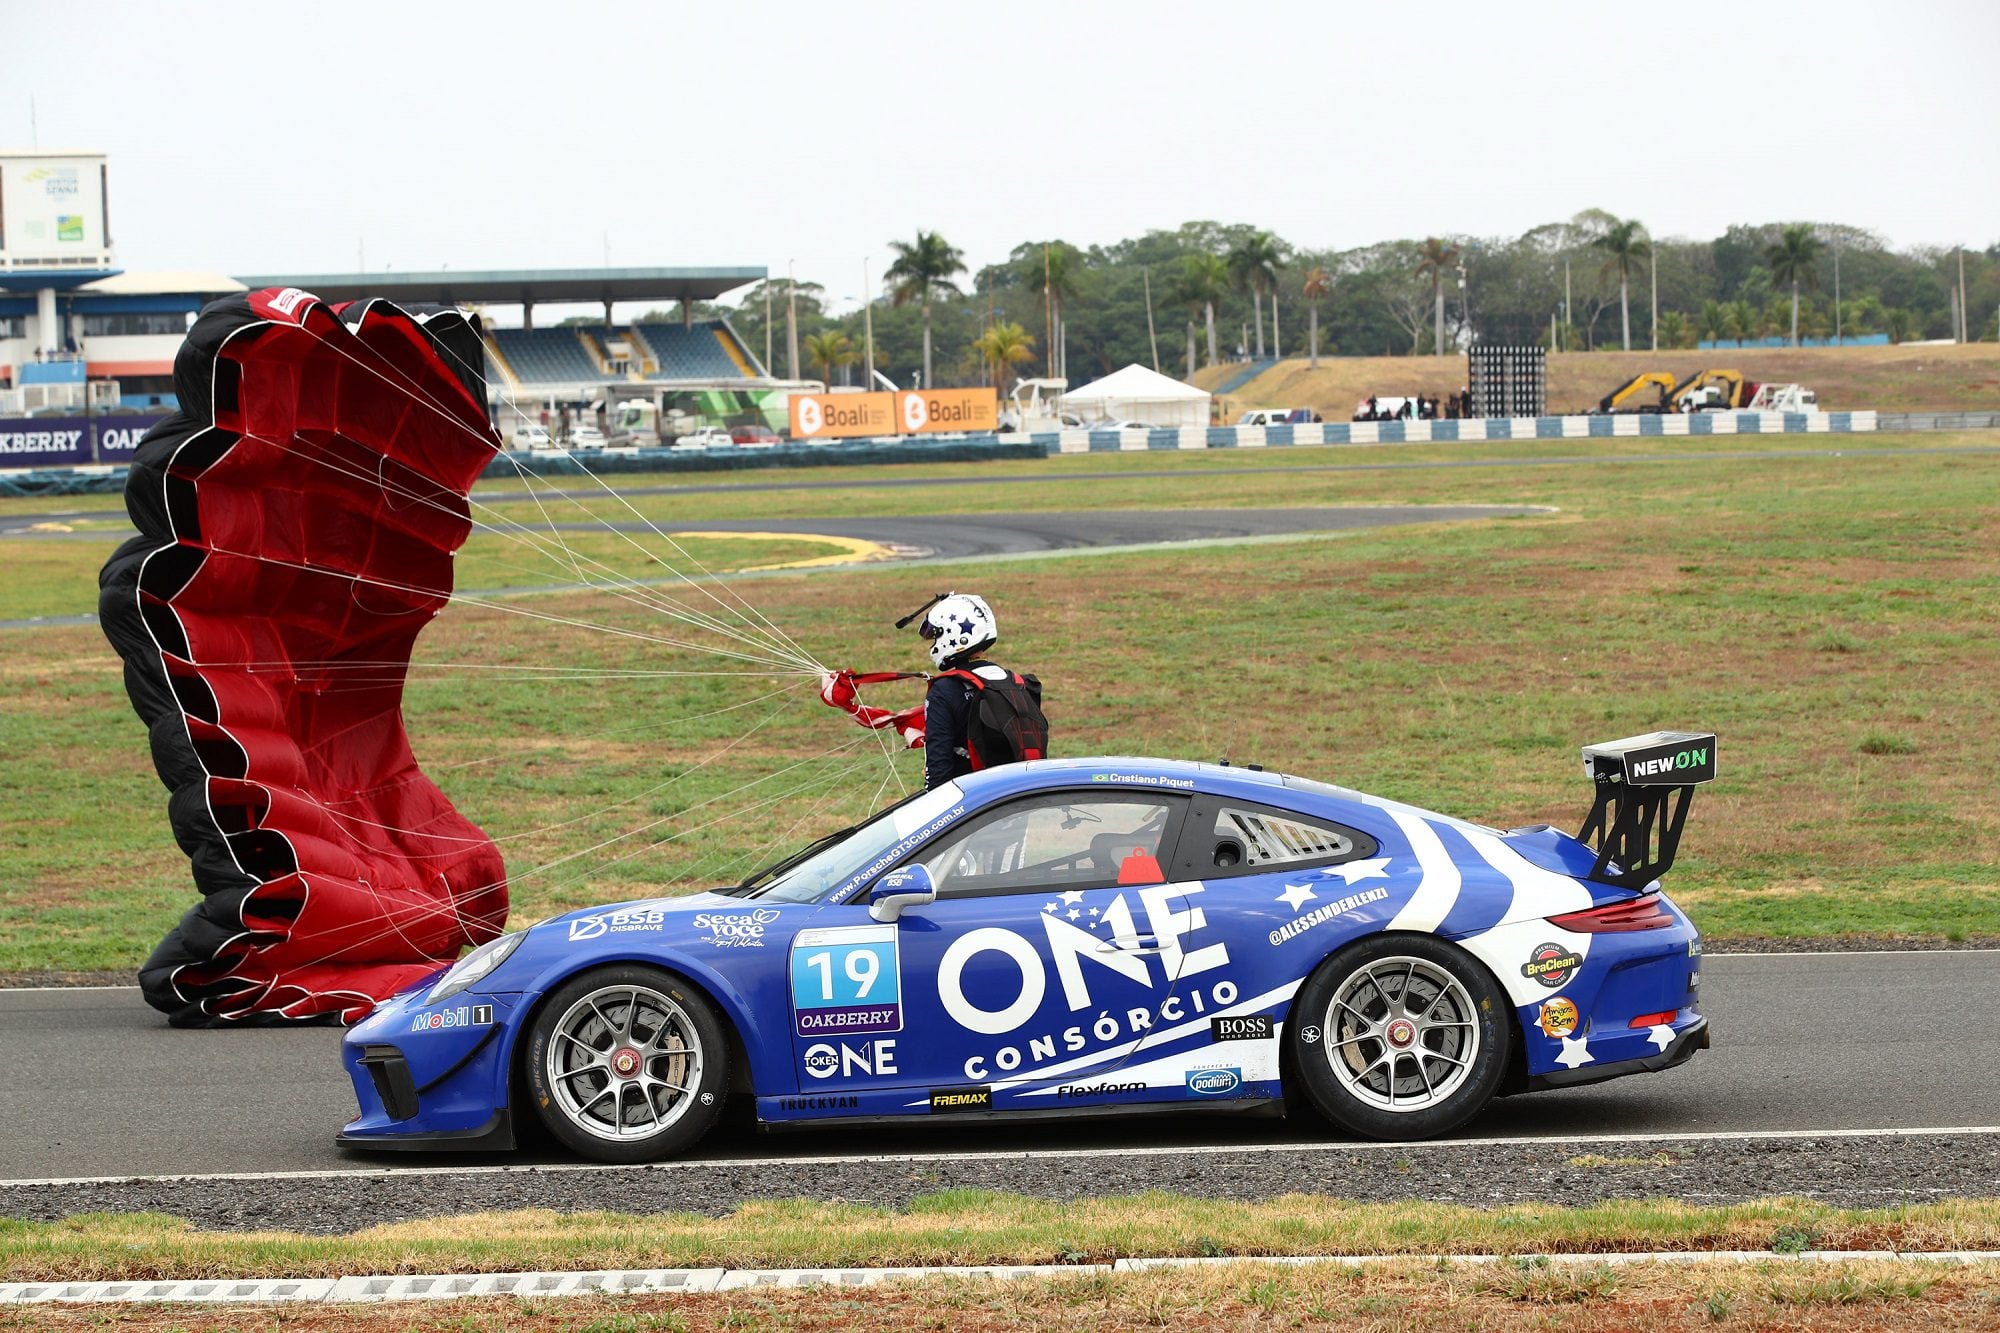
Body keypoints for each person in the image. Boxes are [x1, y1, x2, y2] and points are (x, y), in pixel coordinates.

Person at [915, 593, 1048, 790]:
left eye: (936, 635)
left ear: (953, 635)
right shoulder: (1019, 682)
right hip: (1022, 795)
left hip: (975, 802)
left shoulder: (944, 690)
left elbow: (938, 773)